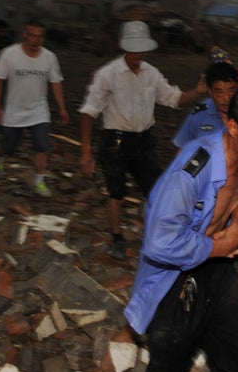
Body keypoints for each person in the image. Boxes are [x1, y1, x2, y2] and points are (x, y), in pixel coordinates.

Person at [124, 81, 238, 372]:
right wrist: (218, 246)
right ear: (233, 126)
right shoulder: (193, 170)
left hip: (218, 270)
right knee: (167, 371)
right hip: (175, 275)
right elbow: (160, 242)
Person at [79, 20, 207, 260]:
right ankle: (117, 237)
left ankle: (158, 234)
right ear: (125, 47)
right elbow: (89, 111)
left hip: (143, 141)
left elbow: (173, 98)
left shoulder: (152, 73)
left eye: (142, 48)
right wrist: (86, 151)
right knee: (116, 191)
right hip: (115, 142)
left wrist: (198, 92)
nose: (139, 53)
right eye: (134, 48)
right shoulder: (108, 74)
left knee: (156, 189)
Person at [0, 20, 69, 197]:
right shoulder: (9, 54)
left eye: (40, 36)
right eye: (32, 35)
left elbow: (56, 83)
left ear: (44, 37)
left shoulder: (49, 57)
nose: (36, 40)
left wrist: (62, 108)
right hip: (14, 110)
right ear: (25, 35)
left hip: (38, 110)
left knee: (42, 146)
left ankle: (39, 181)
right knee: (9, 147)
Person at [172, 60, 238, 149]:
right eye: (220, 92)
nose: (226, 99)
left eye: (231, 91)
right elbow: (182, 149)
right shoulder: (200, 114)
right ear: (210, 92)